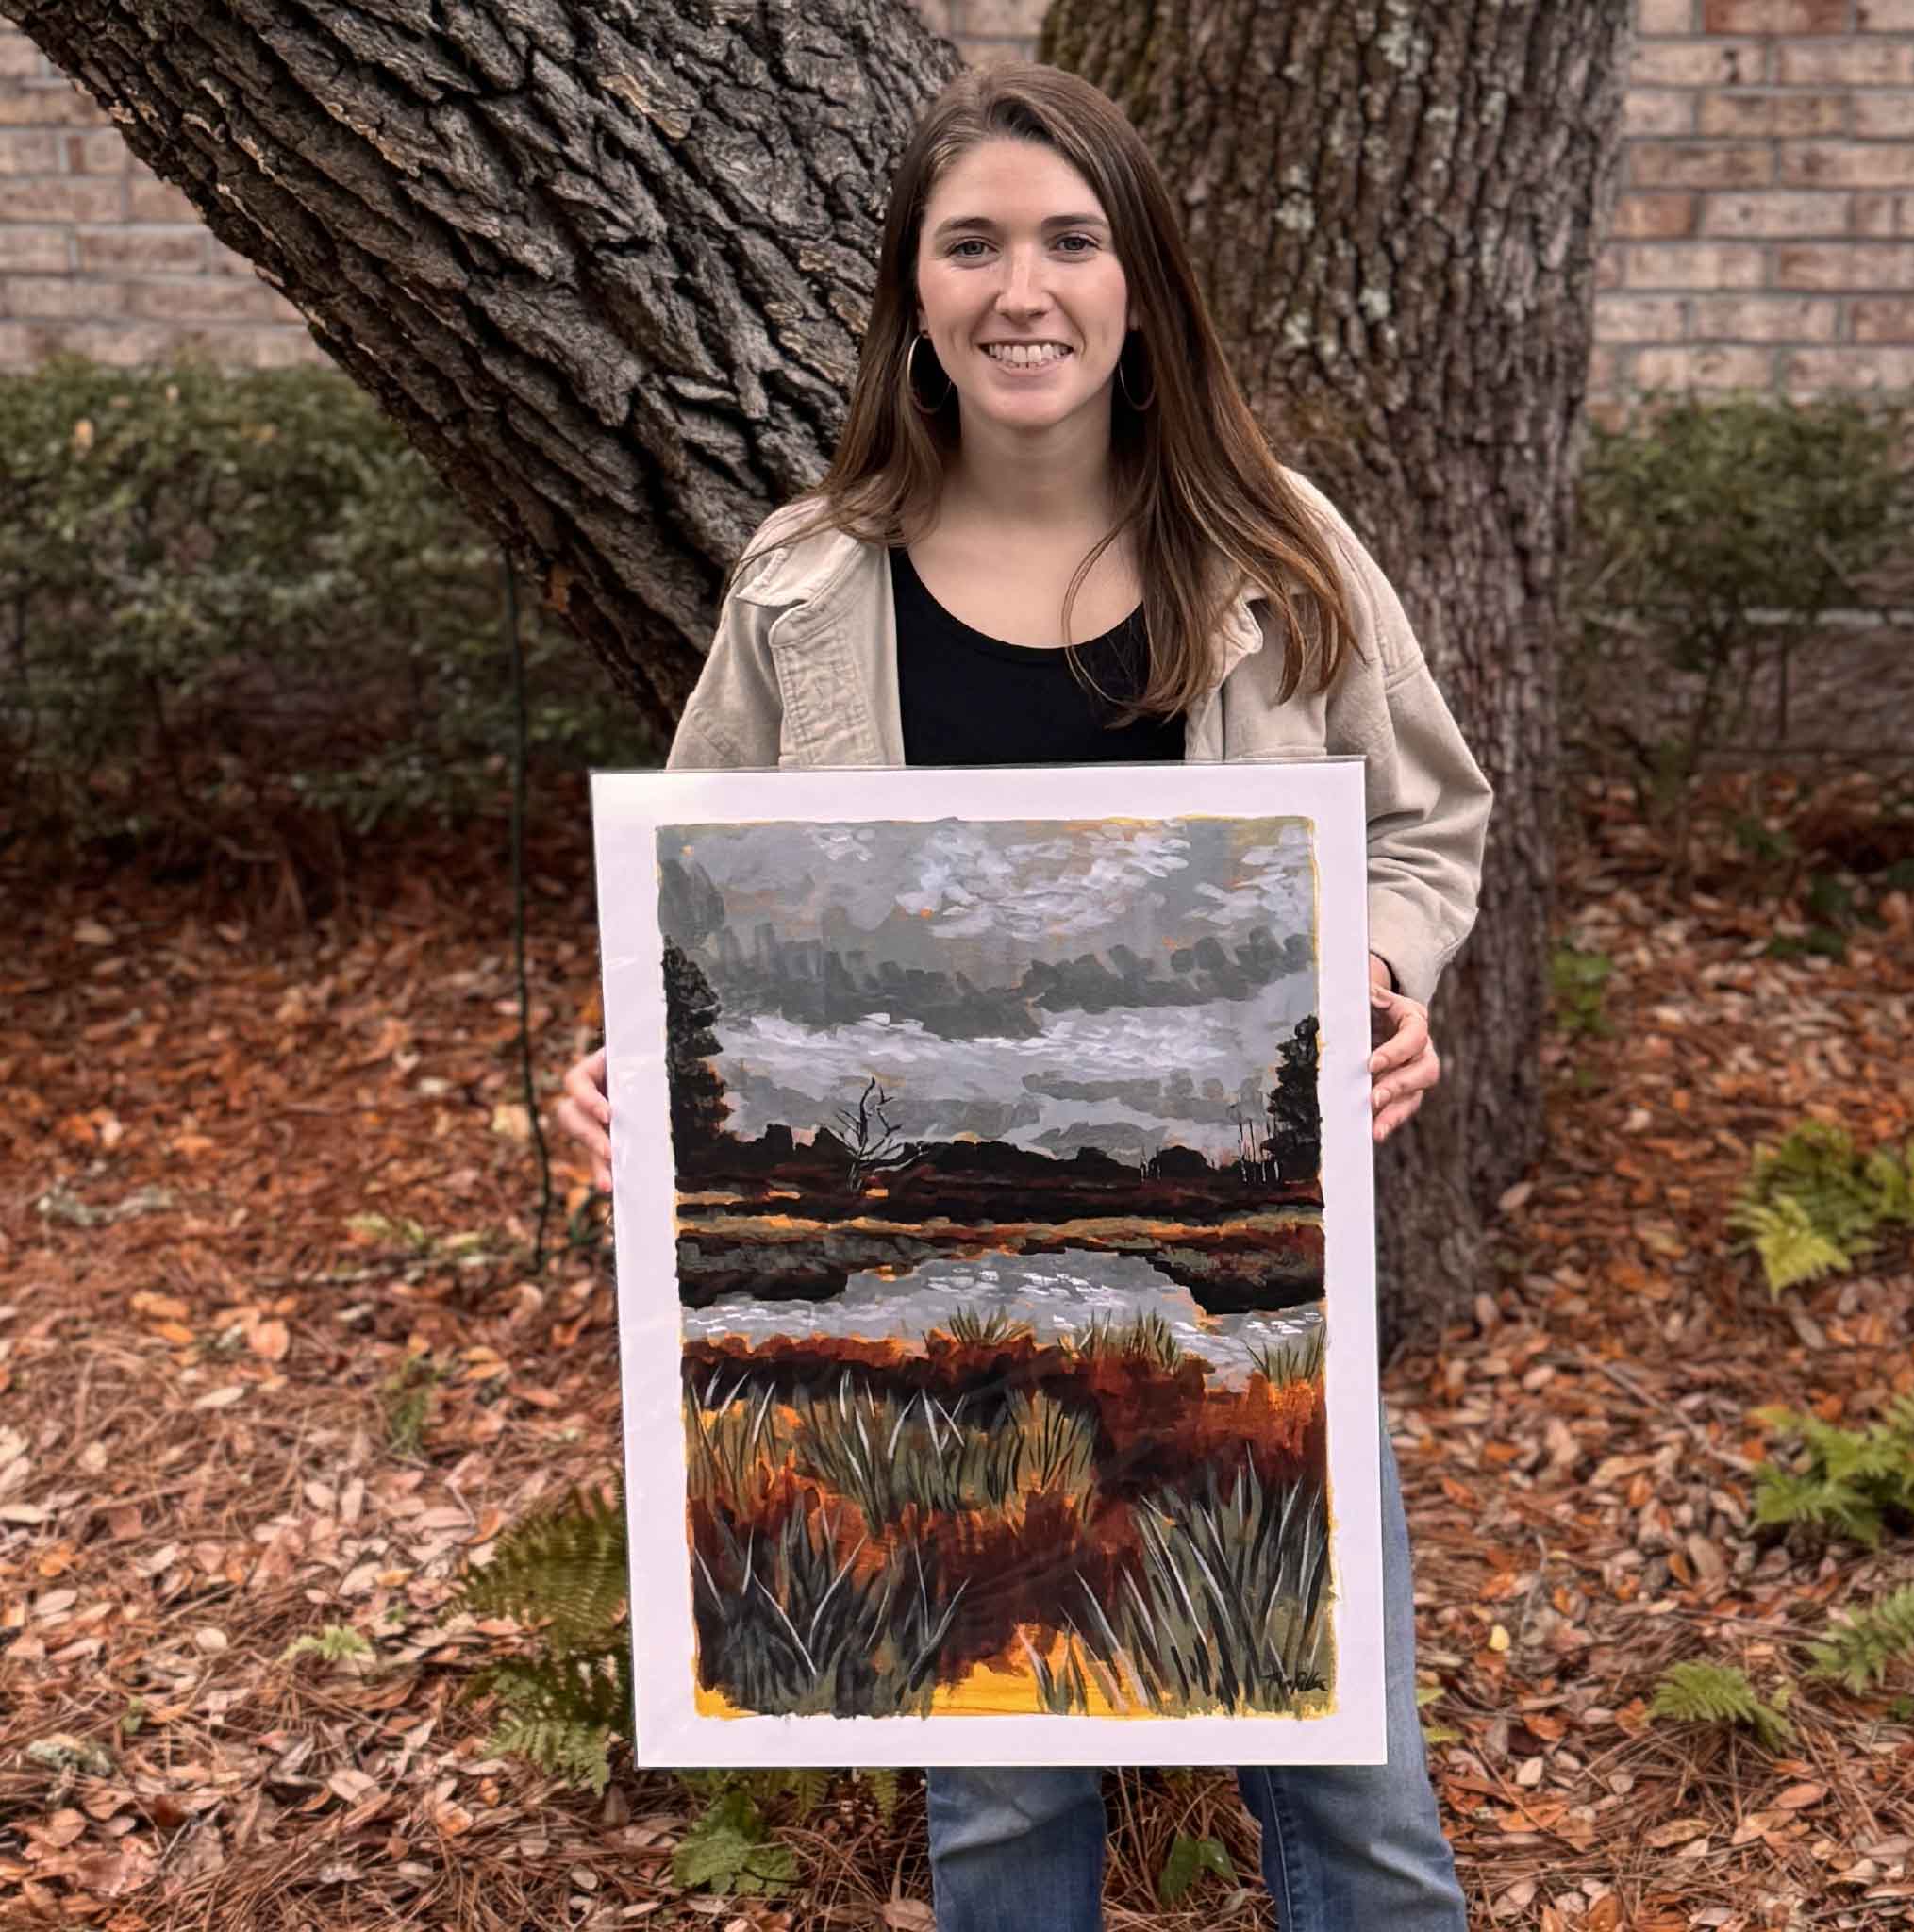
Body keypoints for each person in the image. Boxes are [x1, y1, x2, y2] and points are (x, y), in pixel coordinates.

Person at [557, 60, 1490, 1932]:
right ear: (912, 293)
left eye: (1069, 240)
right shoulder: (803, 587)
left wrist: (1376, 970)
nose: (1021, 288)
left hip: (1243, 1287)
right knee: (996, 1811)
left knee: (1361, 1805)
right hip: (926, 1300)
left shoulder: (1277, 553)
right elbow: (702, 912)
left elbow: (1426, 817)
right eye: (969, 245)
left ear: (1138, 283)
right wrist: (618, 1070)